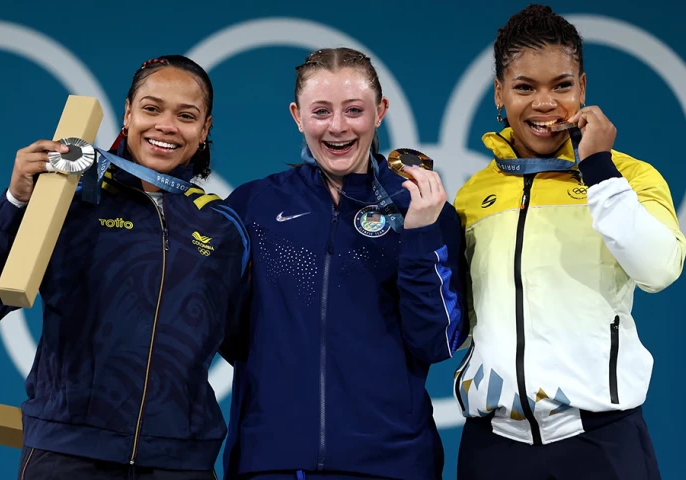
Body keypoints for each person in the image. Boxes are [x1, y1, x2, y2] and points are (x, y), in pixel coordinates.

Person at [0, 55, 251, 480]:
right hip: (69, 456)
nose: (166, 126)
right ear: (128, 112)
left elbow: (247, 343)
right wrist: (17, 200)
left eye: (186, 116)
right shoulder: (67, 200)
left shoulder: (222, 227)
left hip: (179, 463)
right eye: (152, 109)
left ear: (204, 130)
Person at [452, 5, 685, 479]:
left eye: (561, 85)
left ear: (582, 87)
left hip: (601, 444)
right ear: (499, 93)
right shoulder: (473, 194)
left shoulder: (631, 177)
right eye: (524, 87)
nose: (544, 103)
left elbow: (659, 269)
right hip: (493, 447)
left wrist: (600, 171)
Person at [221, 47, 469, 480]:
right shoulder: (254, 205)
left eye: (354, 110)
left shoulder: (422, 207)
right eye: (321, 111)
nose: (337, 127)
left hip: (391, 465)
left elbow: (437, 343)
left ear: (380, 112)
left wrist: (419, 235)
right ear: (297, 115)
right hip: (273, 463)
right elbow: (228, 333)